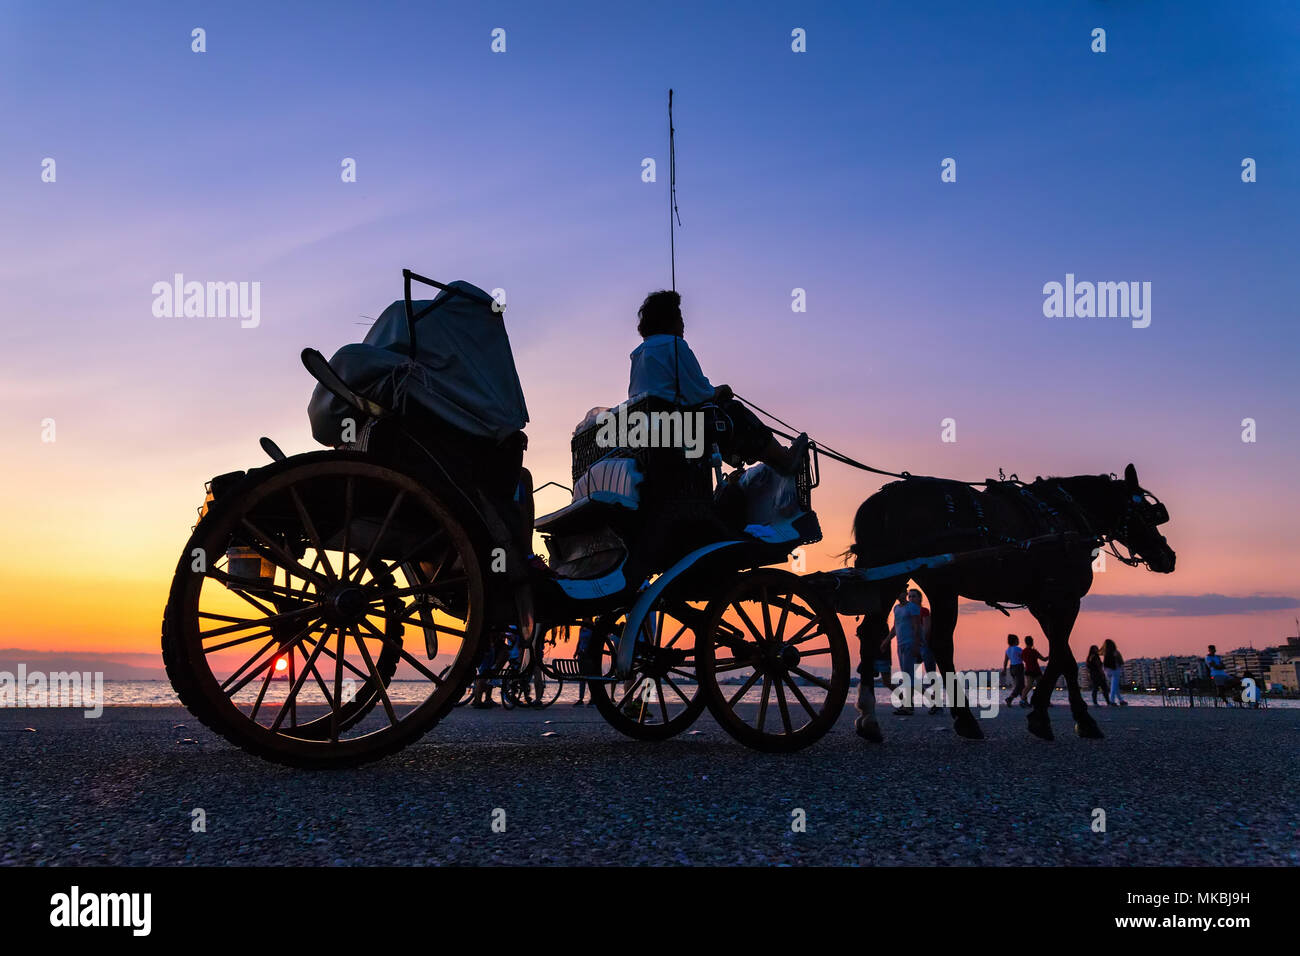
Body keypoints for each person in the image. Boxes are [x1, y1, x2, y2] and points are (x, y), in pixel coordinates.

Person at [629, 290, 808, 474]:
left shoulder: (638, 353)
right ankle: (783, 460)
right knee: (734, 411)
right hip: (679, 430)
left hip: (654, 430)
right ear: (668, 319)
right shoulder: (674, 345)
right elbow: (698, 393)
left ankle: (772, 459)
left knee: (721, 416)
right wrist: (719, 390)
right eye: (679, 317)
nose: (683, 323)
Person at [885, 588, 925, 714]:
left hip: (910, 643)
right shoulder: (896, 608)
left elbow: (916, 626)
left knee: (909, 675)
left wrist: (916, 644)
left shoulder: (912, 607)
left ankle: (908, 706)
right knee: (905, 674)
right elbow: (895, 627)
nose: (900, 595)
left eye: (902, 592)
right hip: (900, 644)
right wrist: (886, 641)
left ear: (905, 594)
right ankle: (909, 704)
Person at [1021, 635, 1047, 708]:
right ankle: (1040, 700)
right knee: (1041, 686)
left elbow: (1023, 660)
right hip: (1036, 671)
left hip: (1029, 671)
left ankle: (1022, 700)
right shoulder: (1034, 651)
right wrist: (1050, 656)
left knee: (1028, 686)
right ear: (1032, 642)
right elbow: (1044, 659)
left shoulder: (1024, 652)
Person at [1001, 634, 1025, 708]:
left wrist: (1004, 669)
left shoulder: (1008, 650)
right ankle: (1010, 698)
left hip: (1012, 668)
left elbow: (1005, 661)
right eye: (1018, 640)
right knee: (1020, 685)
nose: (1019, 641)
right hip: (1019, 667)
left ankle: (1024, 701)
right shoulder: (1018, 649)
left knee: (1020, 685)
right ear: (1015, 641)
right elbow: (1024, 657)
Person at [1102, 638, 1127, 706]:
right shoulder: (1116, 652)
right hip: (1115, 670)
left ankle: (1121, 700)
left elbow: (1104, 663)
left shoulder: (1106, 653)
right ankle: (1112, 701)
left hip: (1107, 671)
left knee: (1115, 686)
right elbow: (1121, 661)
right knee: (1113, 687)